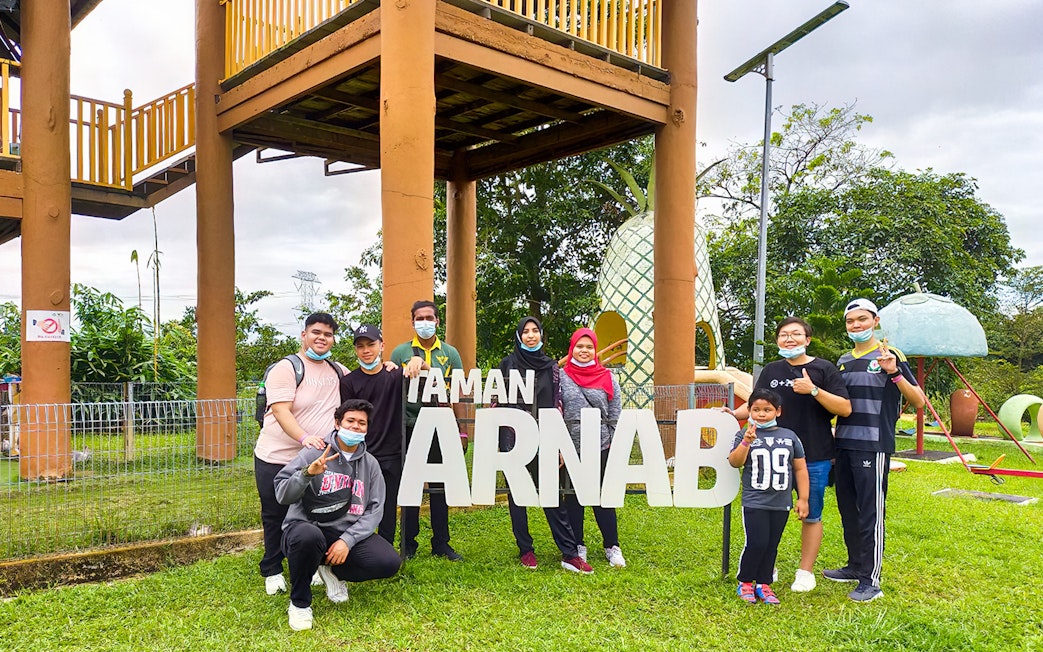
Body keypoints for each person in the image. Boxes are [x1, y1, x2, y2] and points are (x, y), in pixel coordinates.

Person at [728, 317, 851, 592]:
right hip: (772, 457)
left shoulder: (824, 369)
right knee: (769, 512)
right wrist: (732, 414)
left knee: (811, 513)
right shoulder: (772, 369)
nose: (789, 339)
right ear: (777, 341)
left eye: (796, 334)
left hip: (814, 455)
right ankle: (764, 566)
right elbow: (757, 405)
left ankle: (805, 572)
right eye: (784, 335)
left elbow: (844, 408)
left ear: (807, 340)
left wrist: (814, 390)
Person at [824, 298, 925, 602]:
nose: (856, 325)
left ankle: (871, 580)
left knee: (871, 511)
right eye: (850, 321)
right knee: (848, 508)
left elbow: (918, 400)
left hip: (873, 445)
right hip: (842, 444)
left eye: (862, 319)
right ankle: (855, 566)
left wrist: (894, 373)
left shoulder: (889, 355)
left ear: (875, 320)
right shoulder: (842, 360)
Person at [275, 399, 402, 631]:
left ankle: (330, 570)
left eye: (361, 423)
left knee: (388, 562)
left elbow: (375, 509)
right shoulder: (313, 452)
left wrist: (347, 540)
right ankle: (300, 604)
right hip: (307, 527)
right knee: (307, 537)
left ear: (367, 428)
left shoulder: (370, 464)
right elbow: (282, 494)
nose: (355, 427)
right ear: (337, 423)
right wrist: (306, 474)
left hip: (344, 531)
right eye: (350, 421)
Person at [254, 312, 348, 596]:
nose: (322, 338)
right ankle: (272, 568)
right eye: (316, 332)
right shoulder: (286, 368)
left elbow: (366, 379)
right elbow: (281, 410)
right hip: (278, 456)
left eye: (328, 334)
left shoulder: (338, 370)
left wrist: (388, 364)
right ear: (304, 335)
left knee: (316, 515)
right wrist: (304, 437)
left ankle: (316, 564)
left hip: (318, 462)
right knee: (275, 513)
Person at [497, 317, 592, 574]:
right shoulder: (506, 365)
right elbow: (496, 403)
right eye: (525, 332)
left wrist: (559, 443)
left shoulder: (550, 367)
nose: (530, 335)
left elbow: (557, 404)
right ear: (519, 336)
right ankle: (526, 550)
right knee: (518, 498)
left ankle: (569, 553)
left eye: (535, 331)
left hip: (544, 438)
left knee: (552, 495)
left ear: (541, 335)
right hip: (512, 439)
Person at [389, 300, 466, 561]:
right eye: (419, 318)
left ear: (437, 321)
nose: (424, 322)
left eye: (429, 317)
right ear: (412, 323)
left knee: (439, 486)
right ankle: (408, 543)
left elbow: (457, 392)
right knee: (410, 485)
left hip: (441, 426)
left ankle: (441, 543)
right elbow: (392, 391)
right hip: (409, 426)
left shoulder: (450, 353)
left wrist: (461, 429)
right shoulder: (400, 352)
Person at [339, 324, 425, 547]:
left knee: (387, 505)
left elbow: (426, 375)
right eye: (361, 346)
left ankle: (385, 549)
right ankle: (355, 546)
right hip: (360, 454)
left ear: (382, 346)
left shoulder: (395, 375)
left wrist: (419, 362)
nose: (366, 350)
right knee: (357, 505)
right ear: (356, 350)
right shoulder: (348, 382)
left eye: (371, 344)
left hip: (392, 453)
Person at [728, 388, 810, 605]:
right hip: (755, 501)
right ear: (749, 411)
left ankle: (764, 583)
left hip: (781, 502)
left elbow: (800, 469)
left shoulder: (789, 437)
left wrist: (803, 498)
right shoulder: (744, 434)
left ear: (778, 411)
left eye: (767, 410)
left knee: (772, 544)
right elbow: (735, 462)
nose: (761, 414)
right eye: (756, 410)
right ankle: (745, 581)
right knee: (757, 542)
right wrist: (746, 441)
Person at [559, 327, 625, 568]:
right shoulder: (561, 376)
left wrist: (614, 444)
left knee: (602, 498)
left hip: (601, 446)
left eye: (589, 347)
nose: (584, 351)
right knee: (573, 499)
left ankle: (612, 546)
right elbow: (557, 409)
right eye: (579, 346)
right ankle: (578, 546)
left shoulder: (608, 377)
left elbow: (615, 413)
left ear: (595, 350)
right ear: (572, 348)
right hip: (570, 448)